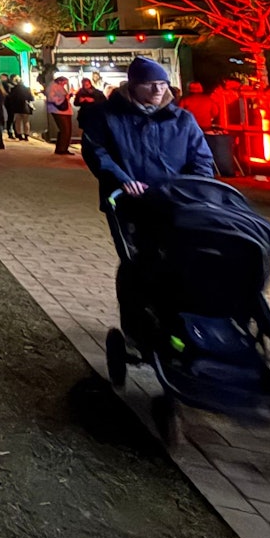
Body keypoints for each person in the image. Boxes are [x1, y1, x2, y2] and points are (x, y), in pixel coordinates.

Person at [80, 56, 217, 332]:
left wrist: (196, 187)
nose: (158, 90)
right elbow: (97, 152)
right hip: (131, 202)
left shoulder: (182, 120)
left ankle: (181, 315)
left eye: (163, 84)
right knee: (138, 259)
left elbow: (201, 158)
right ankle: (136, 323)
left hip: (177, 202)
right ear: (132, 86)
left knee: (181, 256)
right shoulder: (107, 116)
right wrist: (122, 180)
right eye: (150, 85)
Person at [47, 75, 75, 154]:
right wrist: (61, 100)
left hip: (62, 110)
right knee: (65, 130)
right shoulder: (54, 87)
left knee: (65, 129)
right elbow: (52, 98)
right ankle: (62, 149)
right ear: (60, 81)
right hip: (59, 111)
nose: (65, 84)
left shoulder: (55, 87)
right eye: (64, 83)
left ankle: (62, 148)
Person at [6, 76, 34, 141]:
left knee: (18, 122)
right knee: (26, 122)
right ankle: (26, 135)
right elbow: (31, 98)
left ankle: (19, 135)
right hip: (25, 107)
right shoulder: (27, 89)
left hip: (16, 108)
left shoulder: (13, 89)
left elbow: (10, 98)